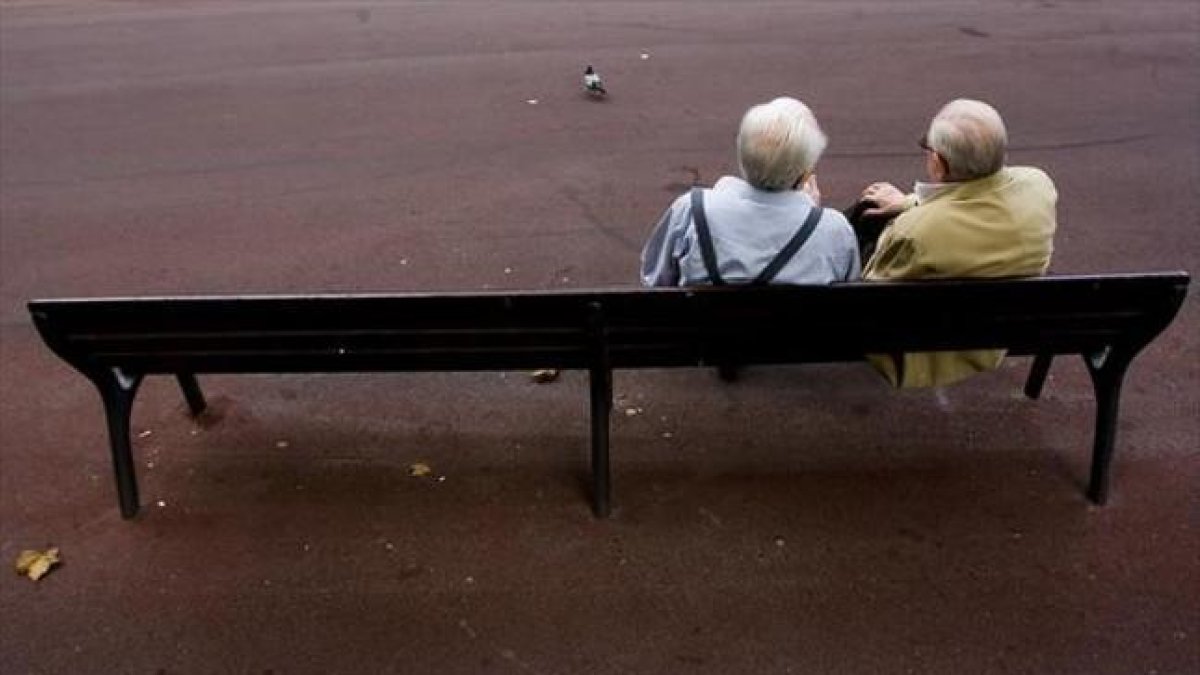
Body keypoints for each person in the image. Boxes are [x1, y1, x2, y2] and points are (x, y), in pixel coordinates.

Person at [850, 98, 1058, 388]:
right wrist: (910, 202)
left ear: (938, 163)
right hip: (1006, 328)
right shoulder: (1039, 186)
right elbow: (972, 201)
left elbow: (873, 292)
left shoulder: (915, 232)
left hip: (927, 352)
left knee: (863, 218)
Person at [641, 97, 860, 287]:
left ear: (744, 156)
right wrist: (811, 211)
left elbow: (655, 279)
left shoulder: (691, 209)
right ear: (804, 175)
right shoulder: (834, 229)